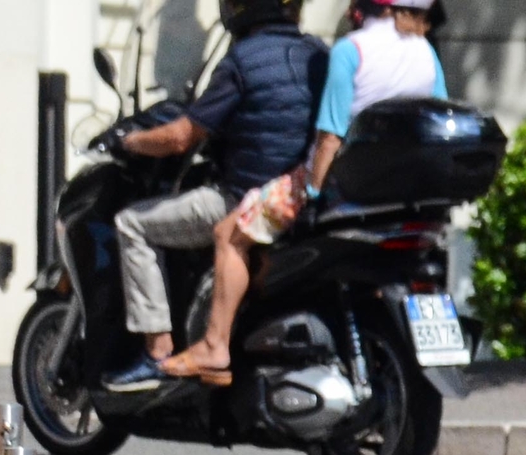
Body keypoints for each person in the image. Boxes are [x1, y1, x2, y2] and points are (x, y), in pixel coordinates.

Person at [159, 0, 446, 385]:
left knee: (229, 233)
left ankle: (214, 345)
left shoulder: (351, 50)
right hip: (394, 192)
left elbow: (329, 135)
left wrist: (310, 191)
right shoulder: (425, 54)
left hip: (340, 184)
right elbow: (437, 115)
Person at [102, 0, 328, 394]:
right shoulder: (319, 55)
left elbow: (181, 136)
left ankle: (157, 353)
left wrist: (129, 140)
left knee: (132, 223)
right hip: (300, 196)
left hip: (242, 198)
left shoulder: (241, 60)